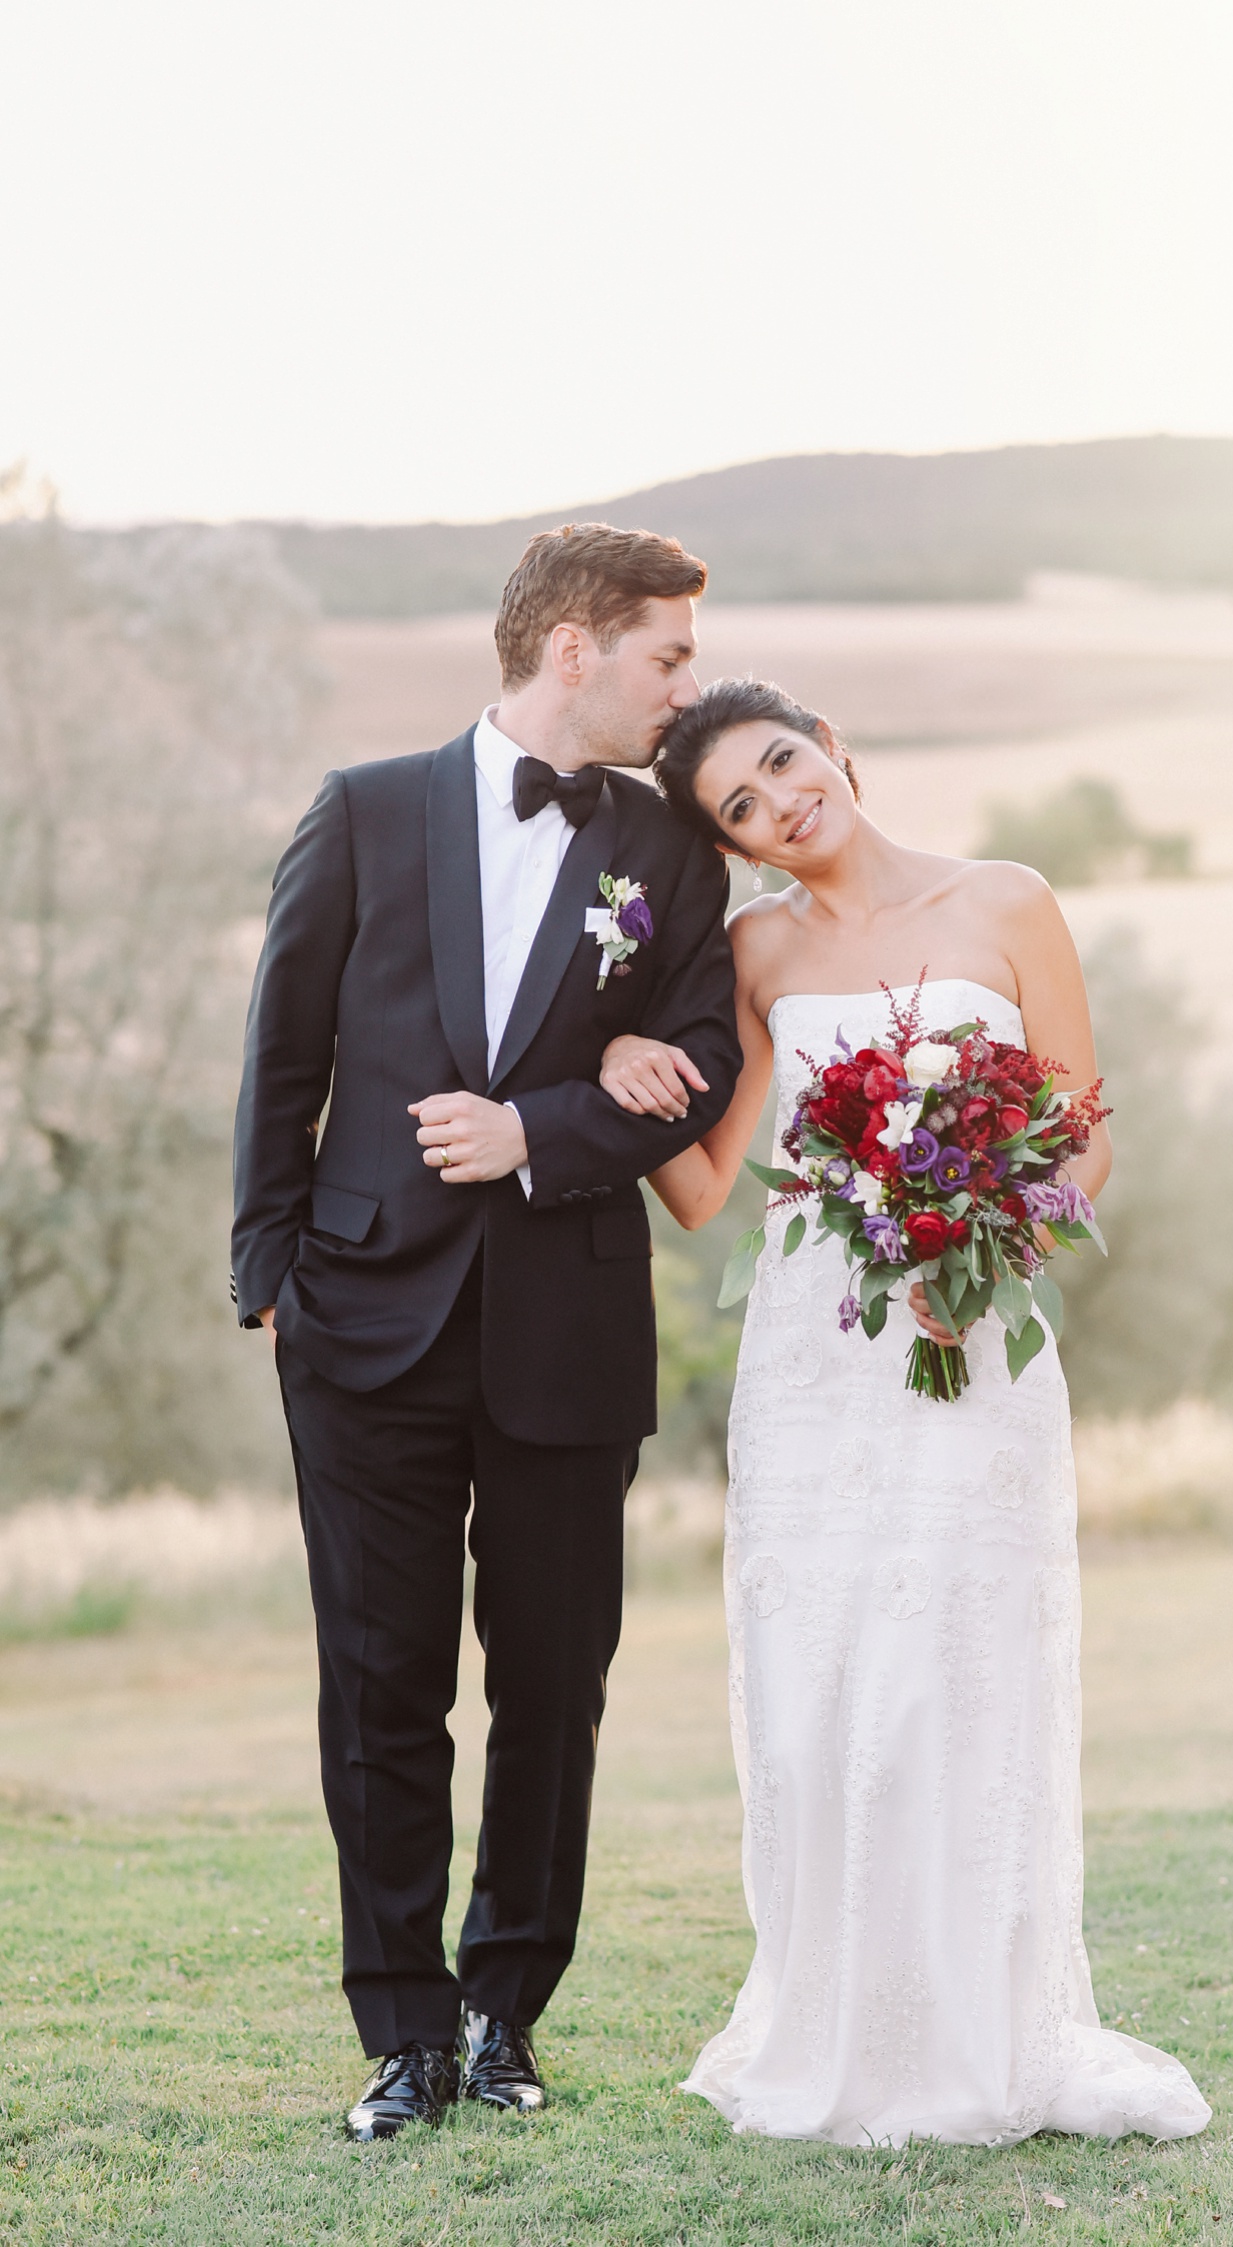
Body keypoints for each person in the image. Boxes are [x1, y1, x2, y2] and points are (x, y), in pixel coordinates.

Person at [597, 677, 1211, 2148]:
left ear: (835, 748)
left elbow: (1086, 1136)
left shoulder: (1007, 900)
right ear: (731, 846)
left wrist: (980, 1244)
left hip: (972, 1335)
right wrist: (610, 1066)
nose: (777, 806)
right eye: (738, 808)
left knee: (958, 1667)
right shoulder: (754, 952)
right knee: (819, 1691)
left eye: (782, 765)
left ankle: (979, 2031)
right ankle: (836, 2027)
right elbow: (703, 1187)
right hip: (815, 1352)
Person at [231, 526, 741, 2140]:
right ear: (574, 647)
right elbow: (284, 1047)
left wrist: (546, 1130)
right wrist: (267, 1275)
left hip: (567, 1331)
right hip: (360, 1320)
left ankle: (506, 2014)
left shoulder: (667, 851)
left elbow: (704, 1060)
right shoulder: (367, 810)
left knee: (554, 1684)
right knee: (379, 1687)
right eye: (667, 654)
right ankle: (403, 2037)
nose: (688, 686)